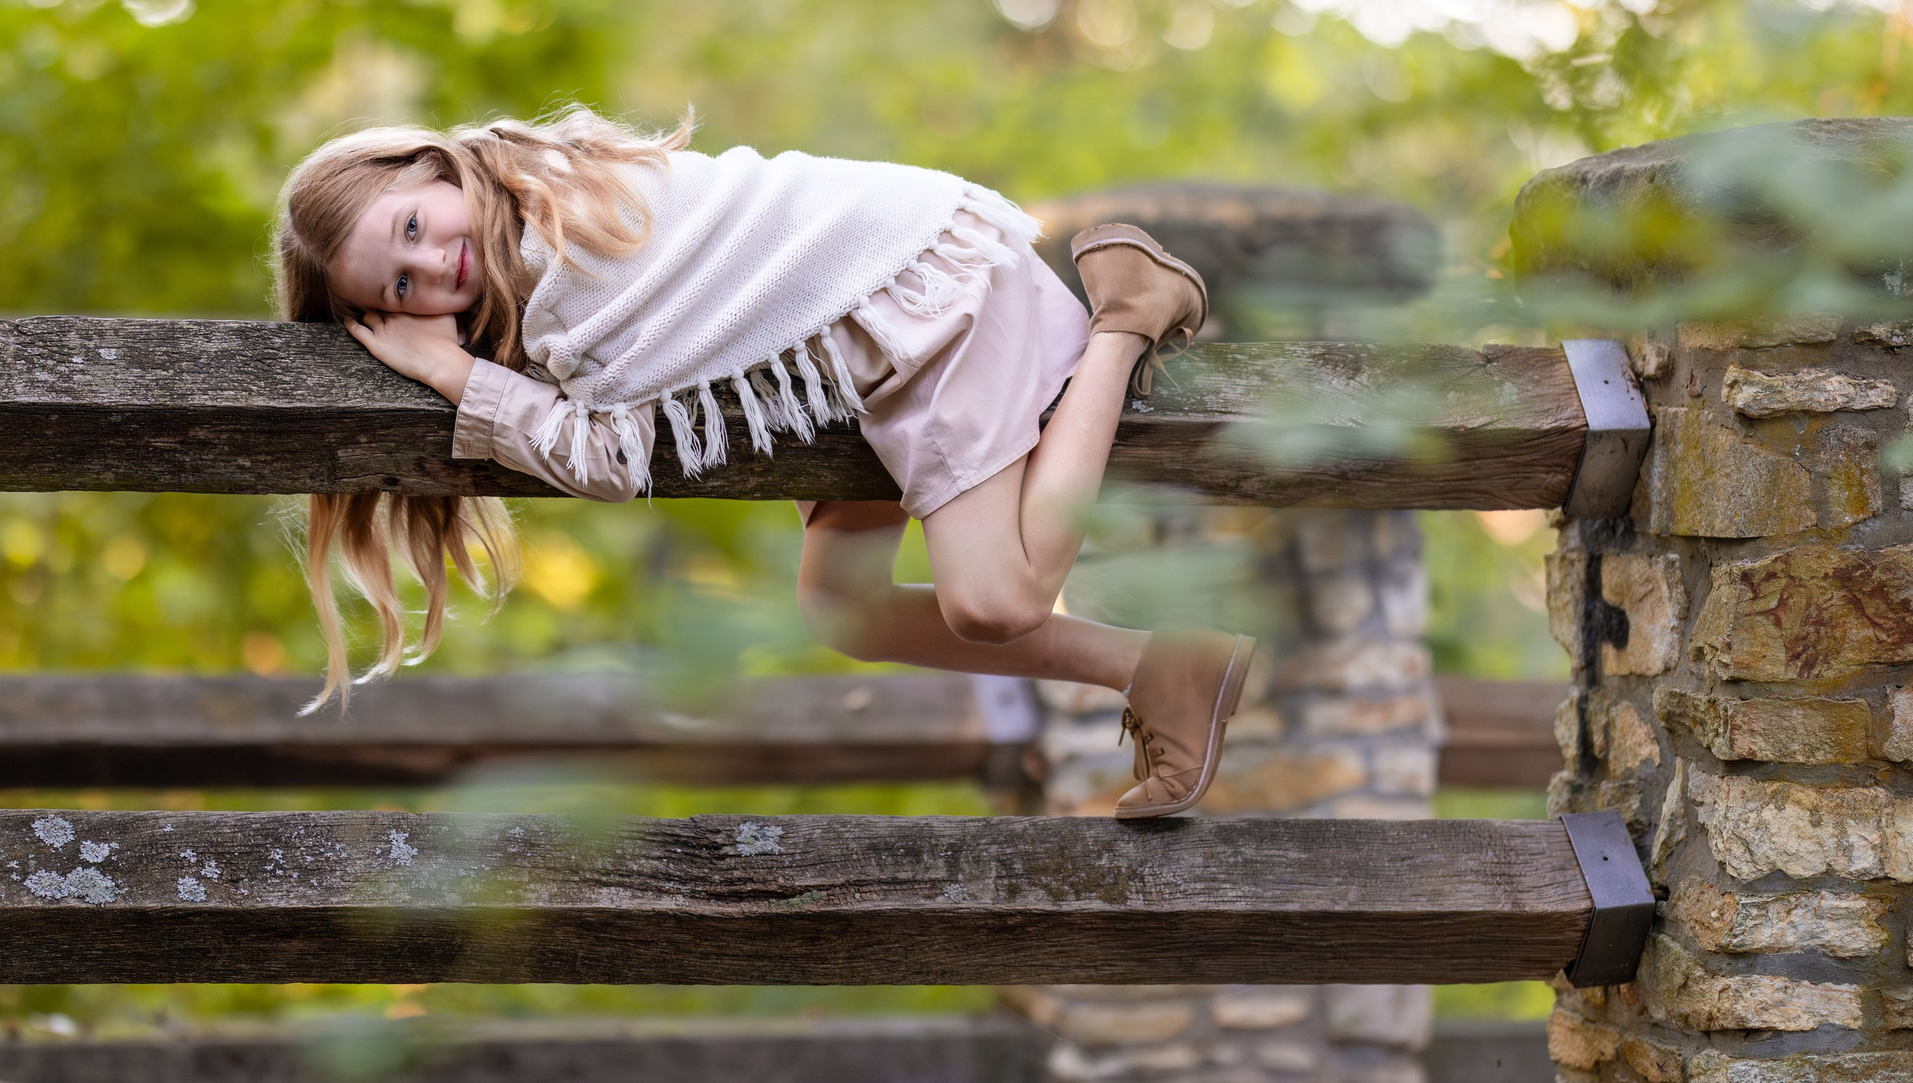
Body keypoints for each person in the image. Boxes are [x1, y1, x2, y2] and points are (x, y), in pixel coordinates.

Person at [270, 107, 1255, 817]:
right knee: (846, 606)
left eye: (412, 226)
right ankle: (1154, 666)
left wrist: (452, 374)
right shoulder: (533, 198)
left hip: (930, 300)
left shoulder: (563, 260)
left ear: (431, 171)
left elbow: (613, 458)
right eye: (400, 284)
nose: (432, 263)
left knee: (995, 600)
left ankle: (1126, 312)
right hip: (854, 346)